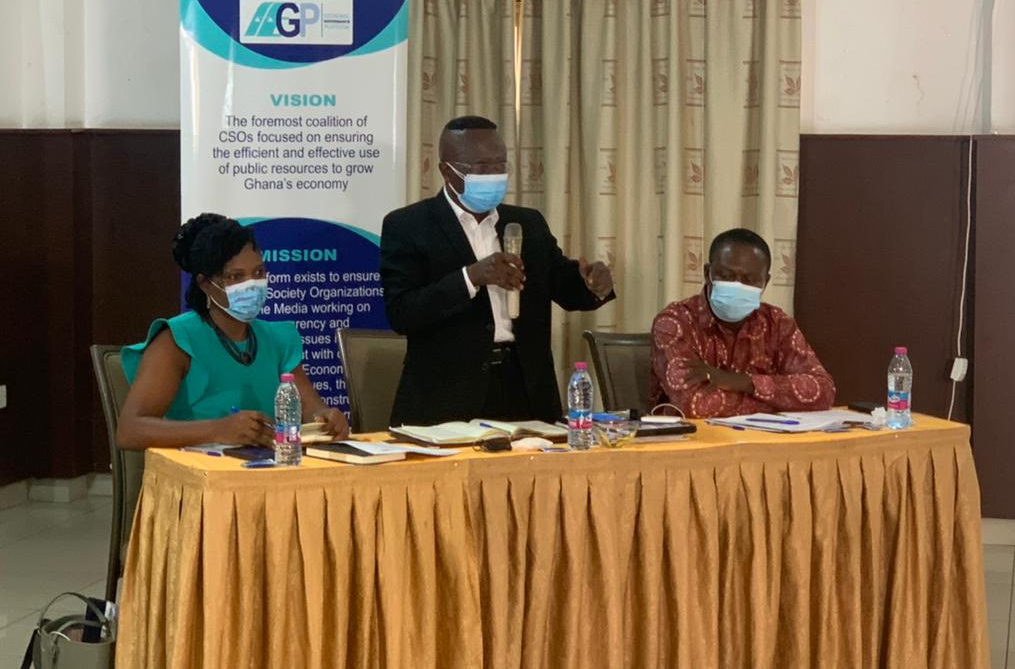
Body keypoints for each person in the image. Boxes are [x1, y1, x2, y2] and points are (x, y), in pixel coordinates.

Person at [380, 115, 615, 425]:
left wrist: (592, 284)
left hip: (525, 390)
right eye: (481, 168)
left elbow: (561, 284)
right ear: (446, 171)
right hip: (446, 400)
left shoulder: (528, 223)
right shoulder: (409, 226)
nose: (494, 175)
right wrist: (471, 277)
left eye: (500, 165)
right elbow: (402, 312)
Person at [116, 213, 349, 449]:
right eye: (236, 277)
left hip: (267, 471)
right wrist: (218, 430)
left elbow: (310, 409)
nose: (252, 284)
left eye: (259, 273)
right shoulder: (177, 339)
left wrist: (327, 418)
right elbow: (130, 431)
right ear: (206, 284)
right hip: (201, 475)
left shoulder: (278, 337)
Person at [650, 228, 835, 418]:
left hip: (765, 442)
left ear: (766, 281)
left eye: (750, 279)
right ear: (707, 273)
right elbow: (695, 404)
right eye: (727, 276)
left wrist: (743, 382)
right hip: (692, 443)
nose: (738, 285)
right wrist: (781, 402)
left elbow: (823, 391)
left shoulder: (777, 323)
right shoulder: (675, 322)